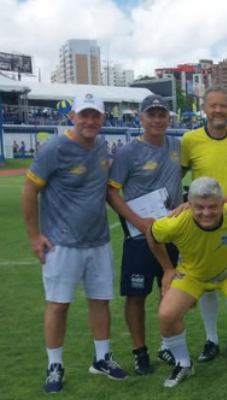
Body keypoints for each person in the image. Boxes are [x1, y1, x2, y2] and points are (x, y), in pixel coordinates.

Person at [22, 92, 128, 394]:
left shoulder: (102, 146)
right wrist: (34, 236)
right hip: (61, 244)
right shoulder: (54, 148)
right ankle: (54, 365)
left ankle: (102, 358)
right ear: (72, 117)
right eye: (84, 115)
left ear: (103, 118)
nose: (89, 121)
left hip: (98, 241)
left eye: (95, 116)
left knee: (100, 301)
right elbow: (29, 190)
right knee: (58, 305)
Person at [146, 177, 227, 387]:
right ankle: (183, 363)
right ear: (189, 204)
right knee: (167, 315)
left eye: (213, 207)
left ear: (222, 204)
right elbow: (152, 234)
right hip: (192, 274)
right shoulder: (174, 223)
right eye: (199, 207)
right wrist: (168, 268)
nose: (206, 213)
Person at [106, 94, 182, 375]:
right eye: (152, 115)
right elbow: (111, 191)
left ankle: (167, 344)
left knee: (170, 290)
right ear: (141, 118)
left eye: (162, 115)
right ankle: (140, 351)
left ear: (169, 119)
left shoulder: (177, 145)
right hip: (140, 237)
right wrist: (138, 221)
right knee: (136, 295)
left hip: (171, 235)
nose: (157, 120)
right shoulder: (128, 152)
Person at [180, 85, 227, 362]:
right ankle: (211, 339)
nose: (218, 110)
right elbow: (176, 175)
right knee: (206, 282)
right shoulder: (190, 140)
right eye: (213, 105)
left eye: (223, 105)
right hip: (202, 222)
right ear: (204, 109)